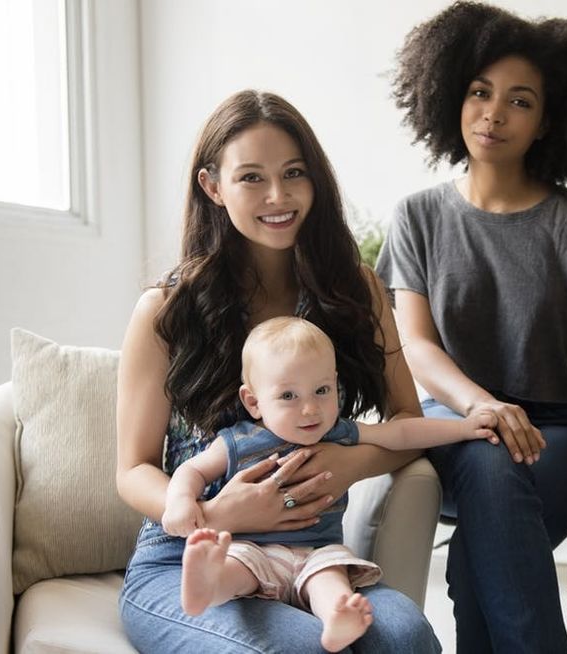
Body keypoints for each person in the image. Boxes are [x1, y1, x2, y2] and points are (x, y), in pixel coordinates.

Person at [116, 89, 442, 653]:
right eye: (251, 178)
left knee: (406, 635)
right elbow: (133, 470)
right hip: (186, 563)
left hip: (312, 558)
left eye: (294, 173)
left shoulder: (353, 291)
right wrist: (215, 512)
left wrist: (345, 465)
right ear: (212, 187)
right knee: (293, 649)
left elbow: (406, 419)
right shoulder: (165, 311)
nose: (278, 195)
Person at [378, 3, 567, 651]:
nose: (494, 112)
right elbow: (417, 346)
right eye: (479, 92)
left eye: (520, 101)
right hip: (453, 420)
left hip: (556, 434)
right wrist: (482, 405)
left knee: (472, 562)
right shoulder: (418, 217)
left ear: (547, 121)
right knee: (489, 458)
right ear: (450, 98)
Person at [164, 316, 498, 651]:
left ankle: (337, 620)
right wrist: (181, 501)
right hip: (256, 550)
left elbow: (401, 433)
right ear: (253, 402)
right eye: (289, 396)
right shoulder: (239, 441)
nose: (310, 409)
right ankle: (207, 584)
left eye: (321, 391)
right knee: (238, 568)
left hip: (315, 552)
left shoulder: (339, 432)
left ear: (334, 384)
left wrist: (465, 428)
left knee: (331, 579)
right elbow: (192, 471)